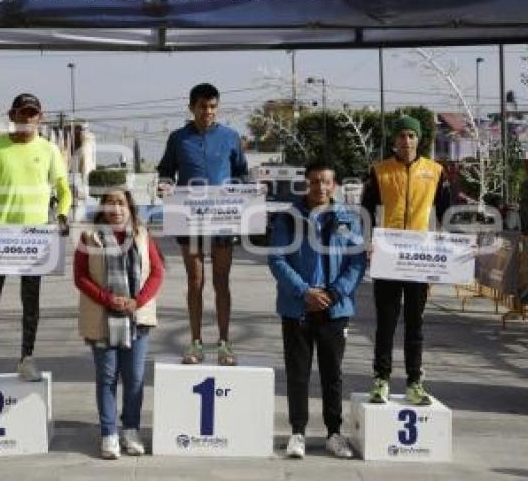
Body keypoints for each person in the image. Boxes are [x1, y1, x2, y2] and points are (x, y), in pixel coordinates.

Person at [0, 93, 71, 387]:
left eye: (33, 114)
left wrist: (61, 213)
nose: (27, 119)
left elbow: (63, 188)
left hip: (34, 239)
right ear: (12, 115)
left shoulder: (49, 150)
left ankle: (27, 359)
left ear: (40, 117)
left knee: (30, 303)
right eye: (22, 114)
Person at [268, 163, 365, 459]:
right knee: (298, 374)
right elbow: (277, 259)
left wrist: (335, 292)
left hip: (335, 307)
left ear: (334, 185)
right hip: (298, 306)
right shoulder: (288, 218)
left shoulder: (349, 217)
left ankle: (334, 433)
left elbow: (357, 261)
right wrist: (304, 291)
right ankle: (297, 432)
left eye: (325, 182)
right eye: (313, 182)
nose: (319, 187)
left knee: (331, 374)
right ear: (305, 184)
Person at [361, 115, 452, 405]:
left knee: (415, 323)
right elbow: (365, 211)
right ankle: (381, 380)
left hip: (419, 259)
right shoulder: (380, 171)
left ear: (419, 139)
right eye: (401, 135)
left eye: (411, 136)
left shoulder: (436, 171)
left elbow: (446, 214)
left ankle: (414, 381)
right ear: (394, 140)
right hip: (388, 256)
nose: (406, 140)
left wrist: (444, 249)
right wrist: (368, 243)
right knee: (386, 322)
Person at [156, 83, 248, 366]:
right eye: (202, 107)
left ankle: (224, 343)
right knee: (195, 281)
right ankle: (195, 343)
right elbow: (165, 172)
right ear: (191, 107)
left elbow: (242, 174)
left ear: (217, 107)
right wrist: (165, 185)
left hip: (222, 220)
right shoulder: (178, 138)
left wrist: (252, 191)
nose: (207, 112)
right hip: (190, 219)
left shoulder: (231, 137)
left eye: (212, 106)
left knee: (222, 281)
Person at [74, 188, 164, 459]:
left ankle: (131, 430)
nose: (116, 208)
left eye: (121, 203)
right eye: (110, 203)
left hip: (137, 318)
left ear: (130, 208)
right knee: (107, 378)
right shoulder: (88, 237)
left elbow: (157, 273)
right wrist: (108, 299)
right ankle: (109, 434)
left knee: (135, 379)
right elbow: (80, 276)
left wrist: (137, 301)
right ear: (102, 208)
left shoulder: (142, 235)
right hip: (103, 318)